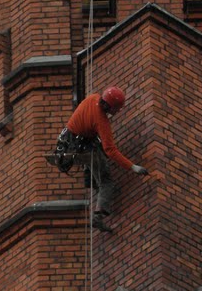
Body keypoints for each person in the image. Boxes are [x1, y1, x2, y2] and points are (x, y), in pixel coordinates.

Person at [54, 85, 148, 230]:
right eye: (116, 109)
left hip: (69, 141)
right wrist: (133, 167)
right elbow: (111, 150)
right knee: (106, 182)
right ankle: (98, 217)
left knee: (97, 155)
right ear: (111, 107)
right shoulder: (101, 121)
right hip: (82, 145)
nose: (116, 112)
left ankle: (90, 179)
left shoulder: (92, 98)